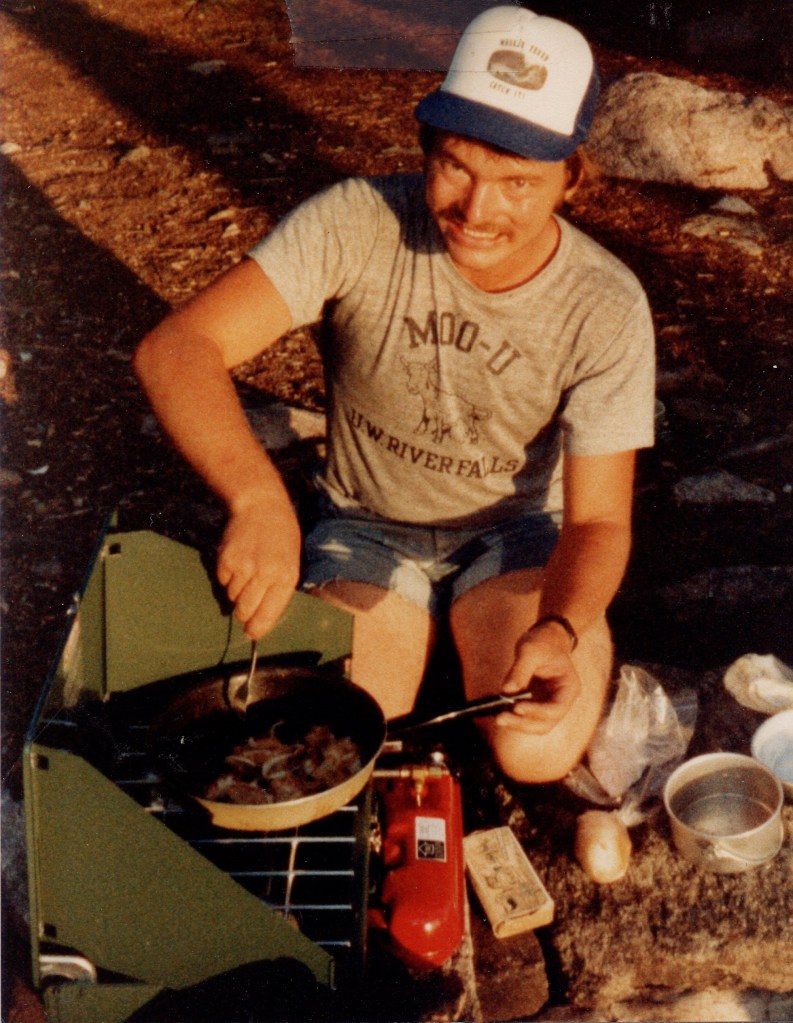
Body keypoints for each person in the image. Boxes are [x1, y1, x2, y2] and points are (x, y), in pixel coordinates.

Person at [134, 6, 655, 785]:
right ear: (426, 145)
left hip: (516, 536)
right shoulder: (359, 219)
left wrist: (560, 625)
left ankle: (501, 630)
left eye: (518, 181)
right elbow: (176, 348)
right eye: (456, 166)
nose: (477, 211)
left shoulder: (603, 302)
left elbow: (598, 519)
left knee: (535, 750)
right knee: (334, 744)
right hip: (365, 526)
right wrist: (258, 499)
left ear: (571, 177)